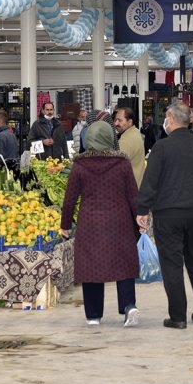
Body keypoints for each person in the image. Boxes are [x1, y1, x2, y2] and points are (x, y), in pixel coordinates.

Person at [135, 102, 193, 330]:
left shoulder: (162, 147)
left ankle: (177, 316)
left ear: (170, 119)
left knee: (172, 263)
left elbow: (150, 181)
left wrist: (142, 210)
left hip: (168, 212)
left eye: (167, 118)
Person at [59, 121, 141, 327]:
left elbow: (69, 199)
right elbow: (133, 195)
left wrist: (65, 225)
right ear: (109, 139)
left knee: (91, 266)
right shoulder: (121, 163)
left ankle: (94, 315)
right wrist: (140, 217)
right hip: (119, 221)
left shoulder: (79, 165)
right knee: (124, 263)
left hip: (90, 223)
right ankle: (128, 306)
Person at [114, 107, 146, 185]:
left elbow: (117, 169)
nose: (116, 123)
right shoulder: (136, 132)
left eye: (120, 120)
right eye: (115, 120)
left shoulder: (126, 141)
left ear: (130, 122)